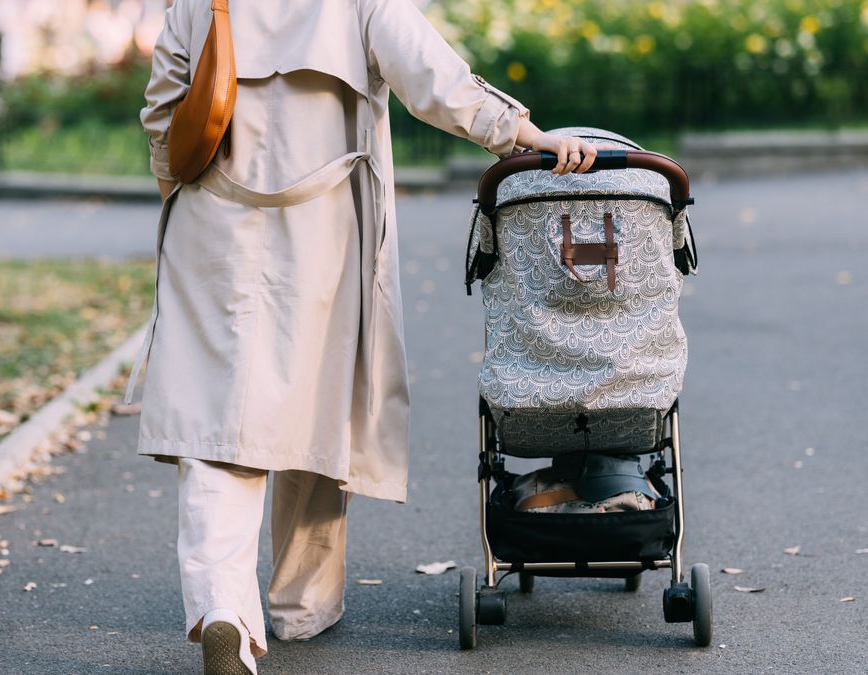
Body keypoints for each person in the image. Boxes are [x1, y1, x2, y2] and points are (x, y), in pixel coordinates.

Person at [134, 0, 599, 672]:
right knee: (318, 411)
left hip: (212, 225)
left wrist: (173, 185)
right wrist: (526, 135)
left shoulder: (198, 3)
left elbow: (163, 115)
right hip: (323, 230)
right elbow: (435, 79)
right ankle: (303, 604)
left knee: (218, 426)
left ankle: (221, 609)